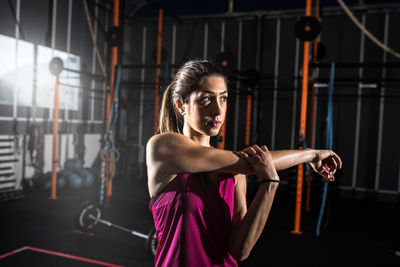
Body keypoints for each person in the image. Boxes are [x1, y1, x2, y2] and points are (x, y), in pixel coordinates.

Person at [146, 59, 342, 267]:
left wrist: (270, 184)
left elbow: (240, 251)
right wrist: (310, 155)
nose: (218, 110)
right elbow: (252, 164)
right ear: (180, 105)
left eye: (223, 99)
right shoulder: (163, 146)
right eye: (206, 99)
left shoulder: (236, 171)